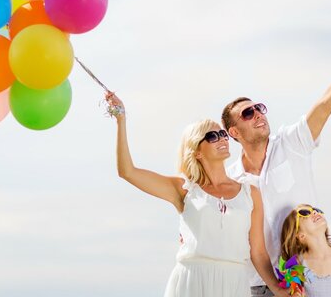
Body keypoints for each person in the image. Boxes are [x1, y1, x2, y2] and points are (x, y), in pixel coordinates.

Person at [221, 19, 331, 295]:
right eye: (248, 113)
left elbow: (327, 103)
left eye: (259, 108)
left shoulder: (291, 143)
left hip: (307, 278)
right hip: (255, 286)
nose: (259, 114)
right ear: (234, 132)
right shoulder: (230, 178)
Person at [105, 92, 290, 297]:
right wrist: (120, 120)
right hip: (191, 281)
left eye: (222, 134)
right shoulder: (185, 189)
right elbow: (127, 172)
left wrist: (278, 290)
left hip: (234, 283)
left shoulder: (250, 192)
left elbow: (258, 252)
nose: (221, 139)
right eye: (212, 136)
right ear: (197, 152)